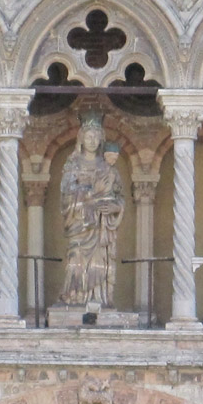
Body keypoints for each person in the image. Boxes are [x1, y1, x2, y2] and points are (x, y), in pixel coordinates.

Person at [59, 116, 125, 308]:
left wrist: (116, 207)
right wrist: (90, 195)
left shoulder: (107, 167)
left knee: (100, 264)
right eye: (88, 136)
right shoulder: (73, 164)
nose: (92, 141)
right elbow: (66, 194)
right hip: (80, 224)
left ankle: (98, 299)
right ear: (81, 138)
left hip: (101, 227)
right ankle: (75, 297)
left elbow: (119, 195)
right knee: (75, 262)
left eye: (96, 137)